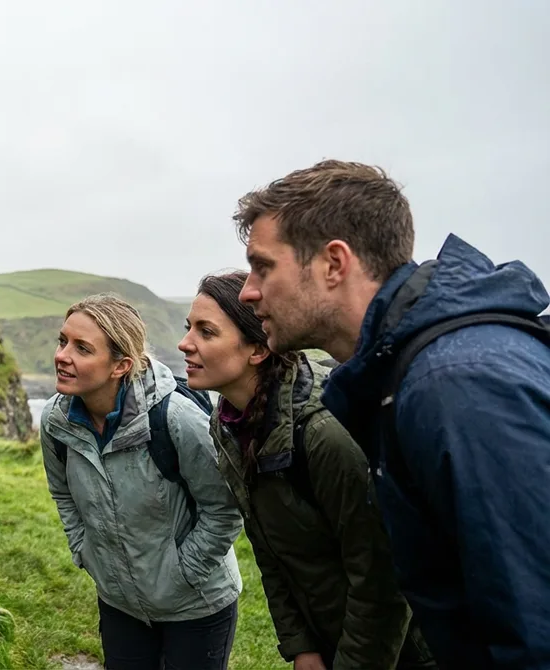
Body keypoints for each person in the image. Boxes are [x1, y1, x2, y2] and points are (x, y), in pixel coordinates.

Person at [234, 159, 550, 668]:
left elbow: (536, 625)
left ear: (334, 263)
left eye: (264, 266)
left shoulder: (454, 385)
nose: (248, 290)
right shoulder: (404, 375)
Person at [179, 270, 436, 670]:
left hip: (408, 651)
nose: (185, 343)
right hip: (331, 636)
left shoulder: (325, 432)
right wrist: (301, 644)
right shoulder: (229, 423)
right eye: (188, 328)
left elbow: (381, 577)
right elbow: (267, 547)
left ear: (257, 350)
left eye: (206, 332)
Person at [39, 293, 243, 670]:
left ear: (121, 366)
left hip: (197, 605)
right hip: (119, 603)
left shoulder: (178, 420)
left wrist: (182, 575)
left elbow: (225, 510)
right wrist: (85, 550)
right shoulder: (55, 421)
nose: (62, 355)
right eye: (62, 341)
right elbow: (62, 493)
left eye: (82, 348)